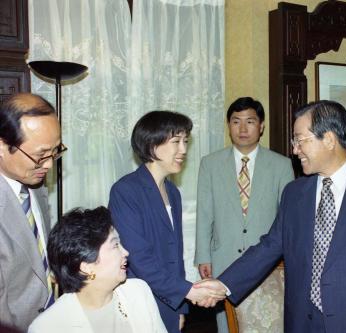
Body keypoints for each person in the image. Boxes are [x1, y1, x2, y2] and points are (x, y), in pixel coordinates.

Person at [196, 100, 346, 333]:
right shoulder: (295, 194)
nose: (295, 150)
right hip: (303, 324)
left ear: (328, 139)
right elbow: (269, 247)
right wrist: (223, 283)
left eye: (300, 140)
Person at [108, 111, 224, 333]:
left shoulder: (173, 191)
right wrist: (187, 292)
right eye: (176, 142)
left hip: (170, 301)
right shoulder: (125, 191)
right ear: (152, 145)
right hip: (138, 302)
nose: (183, 150)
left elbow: (175, 256)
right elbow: (139, 257)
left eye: (185, 142)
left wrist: (180, 308)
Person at [194, 97, 294, 332]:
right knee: (227, 324)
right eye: (236, 121)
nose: (242, 128)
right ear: (228, 126)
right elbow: (204, 212)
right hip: (223, 259)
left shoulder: (281, 165)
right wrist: (203, 256)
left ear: (261, 126)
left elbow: (288, 218)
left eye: (250, 121)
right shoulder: (210, 164)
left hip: (267, 265)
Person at [28, 207, 167, 333]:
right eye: (115, 245)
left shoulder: (139, 292)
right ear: (86, 266)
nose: (125, 252)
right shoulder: (47, 327)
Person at [0, 93, 64, 331]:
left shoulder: (34, 185)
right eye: (39, 155)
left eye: (55, 151)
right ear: (2, 146)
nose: (48, 164)